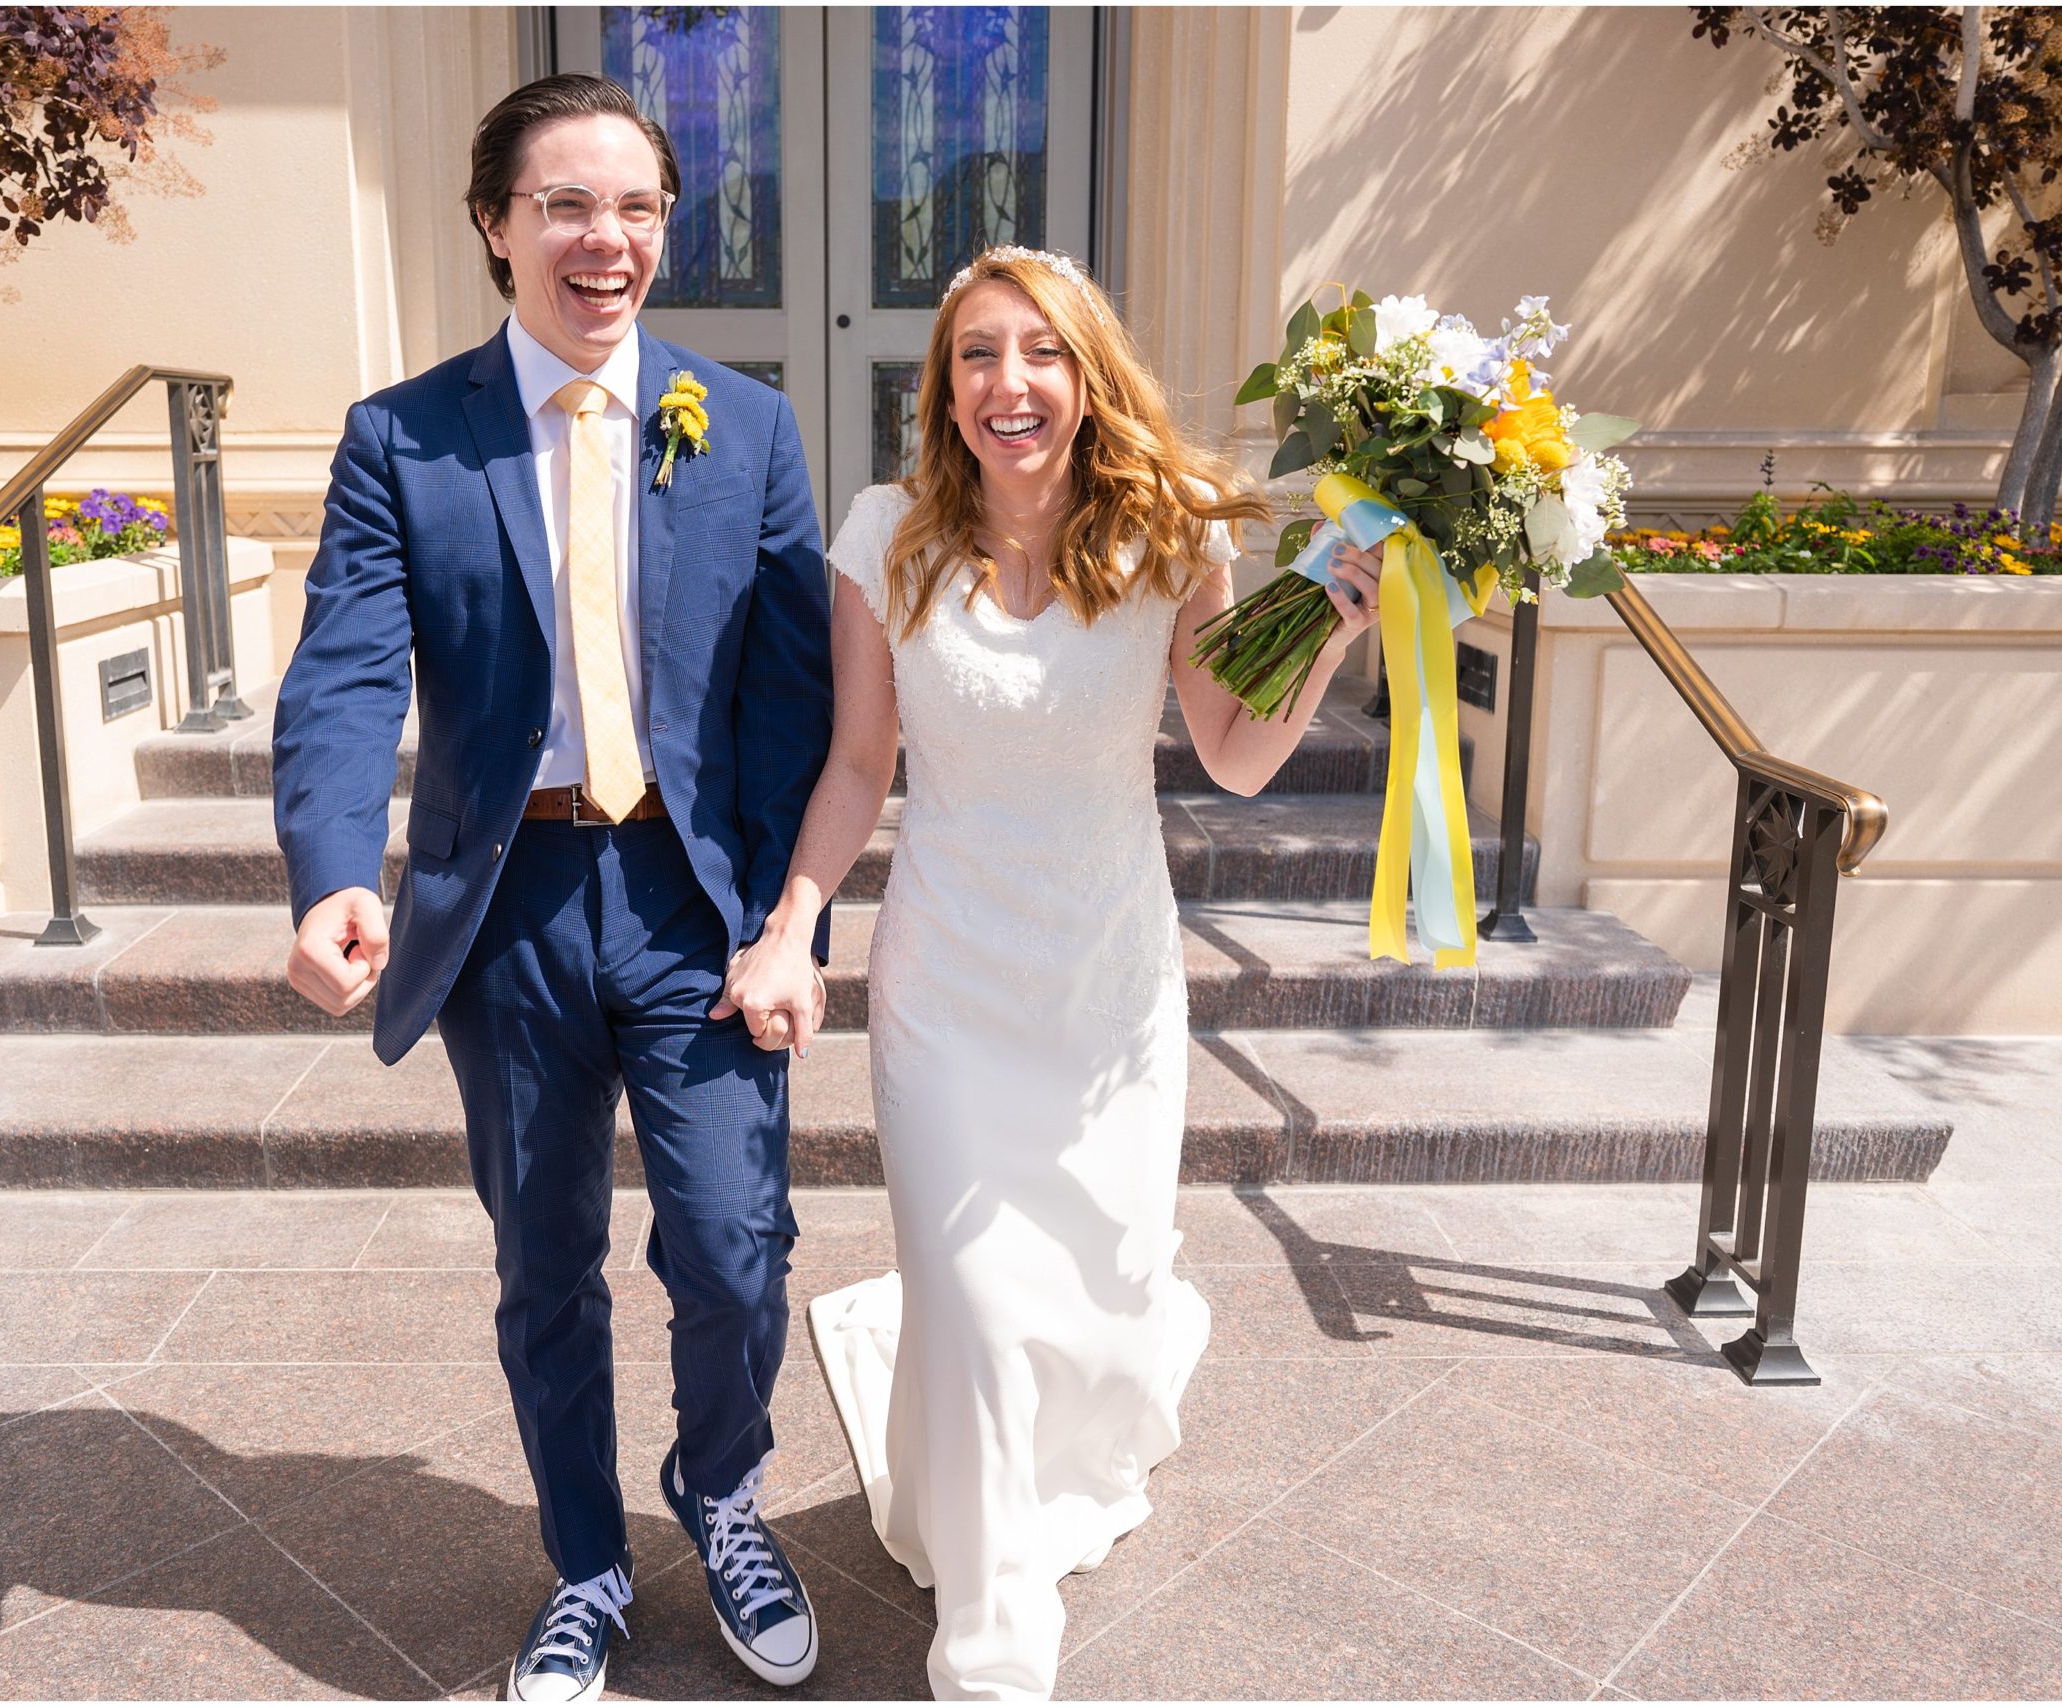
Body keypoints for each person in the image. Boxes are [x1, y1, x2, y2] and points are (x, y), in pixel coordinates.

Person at [719, 245, 1386, 1699]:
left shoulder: (1175, 537)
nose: (1005, 384)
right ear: (942, 384)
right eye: (975, 355)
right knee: (968, 1295)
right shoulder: (883, 534)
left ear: (1089, 379)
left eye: (1038, 354)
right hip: (948, 988)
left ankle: (1036, 1465)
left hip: (1108, 988)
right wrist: (793, 926)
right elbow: (855, 762)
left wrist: (1324, 639)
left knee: (1082, 1292)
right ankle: (994, 1647)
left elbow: (1235, 755)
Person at [269, 73, 834, 1704]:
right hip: (504, 907)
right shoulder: (404, 436)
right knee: (545, 1256)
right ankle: (587, 1560)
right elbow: (347, 673)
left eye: (639, 208)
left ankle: (719, 1492)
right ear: (495, 227)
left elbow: (791, 701)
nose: (609, 240)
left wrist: (794, 919)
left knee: (734, 1249)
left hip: (691, 902)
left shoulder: (748, 427)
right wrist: (329, 869)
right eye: (568, 206)